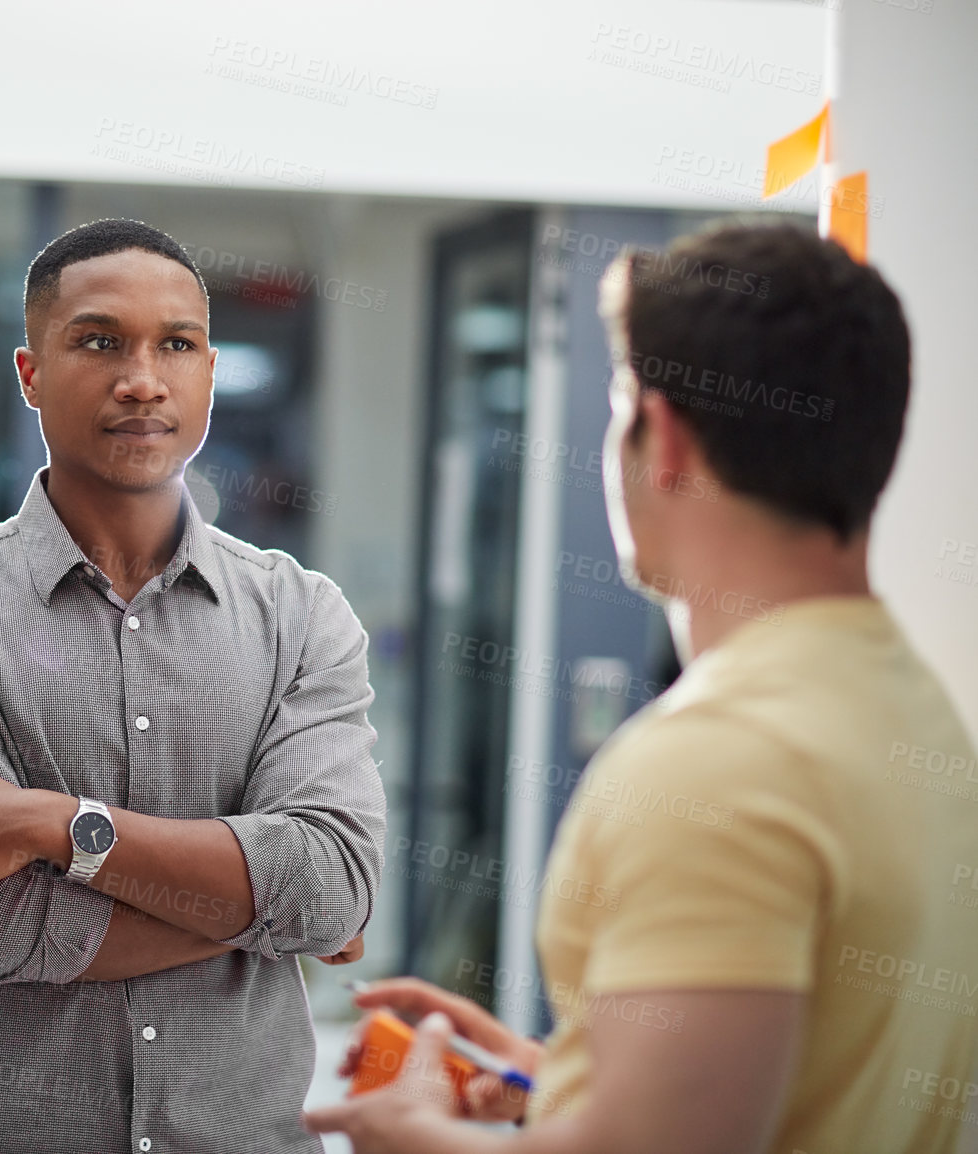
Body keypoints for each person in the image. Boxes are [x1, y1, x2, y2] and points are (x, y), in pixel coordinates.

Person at [303, 221, 978, 1153]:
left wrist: (414, 1137)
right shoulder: (920, 714)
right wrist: (564, 1073)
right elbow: (780, 1089)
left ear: (660, 438)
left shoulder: (716, 765)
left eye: (620, 405)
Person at [0, 218, 388, 1153]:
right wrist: (260, 913)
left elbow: (332, 885)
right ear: (30, 374)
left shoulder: (302, 616)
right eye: (99, 342)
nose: (142, 379)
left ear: (209, 373)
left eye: (175, 346)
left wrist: (51, 827)